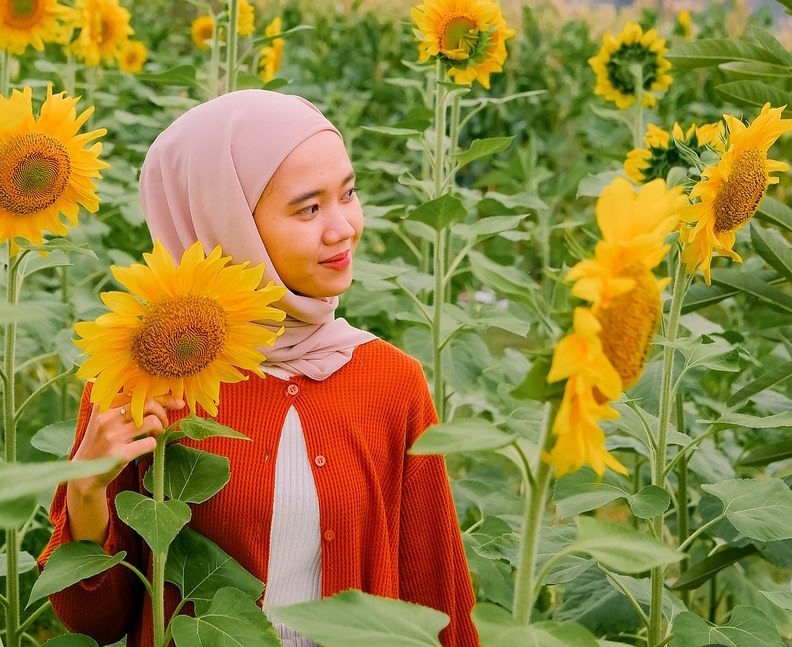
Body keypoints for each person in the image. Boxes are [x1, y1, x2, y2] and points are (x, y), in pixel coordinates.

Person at [39, 88, 481, 647]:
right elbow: (93, 623)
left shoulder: (390, 383)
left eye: (348, 194)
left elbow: (438, 602)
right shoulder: (147, 377)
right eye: (309, 208)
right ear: (228, 222)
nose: (343, 228)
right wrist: (85, 492)